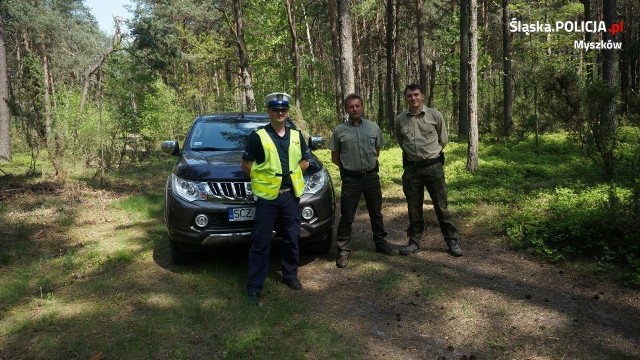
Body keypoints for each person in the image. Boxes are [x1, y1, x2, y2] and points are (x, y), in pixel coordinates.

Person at [241, 92, 311, 304]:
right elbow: (246, 165)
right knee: (261, 242)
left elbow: (305, 161)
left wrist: (291, 174)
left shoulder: (297, 136)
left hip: (290, 197)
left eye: (283, 110)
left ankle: (290, 275)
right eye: (275, 109)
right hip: (267, 198)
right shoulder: (258, 136)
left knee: (291, 238)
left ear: (287, 112)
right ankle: (254, 285)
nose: (280, 113)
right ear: (269, 112)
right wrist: (264, 179)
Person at [394, 84, 463, 257]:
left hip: (434, 167)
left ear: (423, 96)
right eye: (409, 96)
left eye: (416, 95)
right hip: (412, 169)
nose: (413, 98)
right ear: (406, 98)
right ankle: (414, 241)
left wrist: (431, 154)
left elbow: (443, 139)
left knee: (441, 205)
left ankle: (452, 241)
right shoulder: (400, 119)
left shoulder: (435, 115)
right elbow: (400, 141)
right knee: (413, 207)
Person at [328, 93, 393, 269]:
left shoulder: (373, 128)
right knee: (347, 215)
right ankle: (343, 250)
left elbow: (376, 150)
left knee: (376, 211)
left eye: (358, 106)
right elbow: (335, 157)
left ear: (362, 107)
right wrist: (349, 167)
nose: (355, 109)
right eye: (351, 107)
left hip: (371, 176)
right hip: (351, 178)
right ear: (346, 109)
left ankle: (380, 243)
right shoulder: (340, 131)